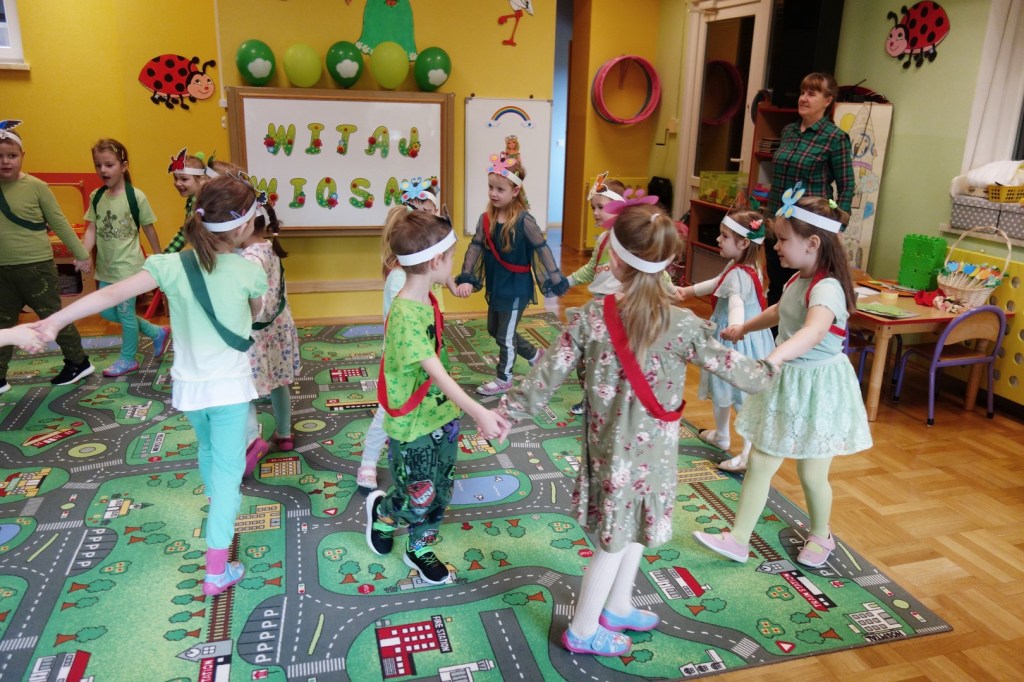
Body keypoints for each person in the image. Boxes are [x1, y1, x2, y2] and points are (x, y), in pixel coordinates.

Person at [497, 203, 779, 656]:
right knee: (617, 540)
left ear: (614, 259)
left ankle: (618, 606)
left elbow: (545, 377)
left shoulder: (591, 317)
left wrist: (506, 414)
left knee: (630, 530)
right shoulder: (683, 325)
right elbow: (745, 374)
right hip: (651, 454)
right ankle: (583, 630)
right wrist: (778, 366)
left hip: (607, 450)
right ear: (669, 265)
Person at [27, 175, 269, 596]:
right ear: (245, 227)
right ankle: (216, 571)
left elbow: (109, 296)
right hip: (230, 391)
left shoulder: (168, 266)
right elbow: (256, 313)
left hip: (189, 390)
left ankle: (216, 503)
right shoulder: (249, 271)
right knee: (230, 475)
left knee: (207, 450)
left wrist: (55, 321)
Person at [693, 187, 872, 569]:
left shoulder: (827, 287)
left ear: (812, 243)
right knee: (760, 461)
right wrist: (744, 328)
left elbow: (814, 330)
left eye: (783, 240)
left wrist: (775, 356)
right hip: (790, 383)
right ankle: (739, 539)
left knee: (811, 472)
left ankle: (821, 534)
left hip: (817, 388)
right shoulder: (798, 280)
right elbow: (778, 312)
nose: (775, 247)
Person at [365, 207, 508, 585]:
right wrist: (479, 411)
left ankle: (419, 545)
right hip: (412, 424)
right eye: (451, 257)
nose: (454, 264)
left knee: (440, 490)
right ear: (434, 262)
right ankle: (384, 513)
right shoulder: (405, 315)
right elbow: (436, 372)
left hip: (441, 417)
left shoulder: (427, 297)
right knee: (417, 495)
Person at [357, 178, 457, 490]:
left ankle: (421, 452)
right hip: (405, 360)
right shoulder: (402, 282)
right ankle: (368, 462)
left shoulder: (423, 274)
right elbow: (403, 330)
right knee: (389, 410)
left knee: (423, 406)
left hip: (426, 348)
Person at [454, 136, 569, 395]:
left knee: (504, 336)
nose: (493, 193)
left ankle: (504, 378)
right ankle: (534, 354)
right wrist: (467, 276)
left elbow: (542, 250)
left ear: (515, 191)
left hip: (516, 287)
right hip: (497, 284)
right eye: (490, 187)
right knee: (495, 329)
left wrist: (554, 279)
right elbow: (475, 247)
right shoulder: (485, 219)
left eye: (500, 189)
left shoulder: (524, 221)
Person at [565, 173, 678, 415]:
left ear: (619, 208)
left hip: (622, 311)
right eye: (593, 207)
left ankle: (615, 400)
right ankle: (590, 397)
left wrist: (670, 288)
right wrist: (569, 280)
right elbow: (592, 268)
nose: (595, 213)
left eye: (601, 207)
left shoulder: (634, 241)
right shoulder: (602, 239)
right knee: (589, 357)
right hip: (597, 307)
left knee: (613, 359)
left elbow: (653, 268)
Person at [0, 119, 95, 393]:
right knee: (3, 323)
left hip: (37, 269)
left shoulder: (37, 186)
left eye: (12, 155)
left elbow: (59, 222)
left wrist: (82, 254)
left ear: (22, 156)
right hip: (2, 272)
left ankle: (78, 362)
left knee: (53, 317)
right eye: (0, 156)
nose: (5, 161)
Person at [676, 209, 775, 472]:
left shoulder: (738, 274)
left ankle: (748, 453)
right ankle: (722, 436)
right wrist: (687, 291)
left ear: (743, 243)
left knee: (740, 395)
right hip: (748, 337)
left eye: (724, 236)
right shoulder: (743, 265)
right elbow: (717, 283)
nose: (718, 239)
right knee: (722, 388)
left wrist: (734, 326)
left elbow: (736, 302)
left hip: (735, 339)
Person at [764, 72, 853, 308]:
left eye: (811, 94)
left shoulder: (835, 138)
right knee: (776, 288)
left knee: (802, 291)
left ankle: (804, 331)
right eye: (802, 92)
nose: (803, 98)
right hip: (777, 222)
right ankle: (774, 333)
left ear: (828, 100)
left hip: (808, 228)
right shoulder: (788, 131)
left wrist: (837, 227)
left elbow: (847, 186)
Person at [83, 138, 169, 377]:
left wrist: (158, 258)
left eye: (109, 165)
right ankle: (155, 332)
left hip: (129, 268)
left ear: (124, 166)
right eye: (98, 165)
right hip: (106, 268)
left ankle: (127, 359)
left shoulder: (136, 196)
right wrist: (82, 254)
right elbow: (91, 229)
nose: (103, 170)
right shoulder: (96, 197)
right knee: (105, 311)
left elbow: (149, 229)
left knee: (125, 313)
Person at [240, 201, 300, 471]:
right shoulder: (269, 247)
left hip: (256, 331)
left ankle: (252, 441)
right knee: (279, 381)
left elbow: (253, 297)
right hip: (279, 327)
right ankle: (284, 434)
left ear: (245, 226)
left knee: (244, 386)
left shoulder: (250, 256)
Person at [164, 147, 208, 254]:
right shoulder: (192, 200)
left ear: (202, 180)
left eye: (184, 179)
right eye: (175, 178)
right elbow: (187, 231)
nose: (178, 183)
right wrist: (165, 255)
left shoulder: (202, 202)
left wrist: (165, 255)